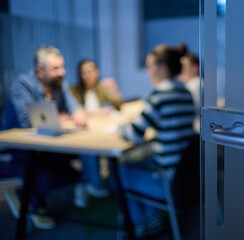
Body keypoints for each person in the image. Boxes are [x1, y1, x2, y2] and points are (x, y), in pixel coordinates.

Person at [0, 46, 86, 229]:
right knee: (44, 174)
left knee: (74, 174)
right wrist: (60, 116)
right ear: (40, 70)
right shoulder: (22, 84)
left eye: (62, 67)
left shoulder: (59, 83)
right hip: (16, 151)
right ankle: (32, 205)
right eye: (56, 68)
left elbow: (74, 106)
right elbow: (26, 121)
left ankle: (29, 194)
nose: (62, 72)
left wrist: (77, 113)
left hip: (45, 146)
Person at [116, 44, 196, 238]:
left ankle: (143, 225)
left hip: (168, 181)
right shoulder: (185, 92)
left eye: (150, 66)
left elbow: (134, 134)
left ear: (162, 68)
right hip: (189, 177)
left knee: (121, 171)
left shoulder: (159, 95)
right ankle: (152, 218)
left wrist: (120, 127)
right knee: (139, 161)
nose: (148, 71)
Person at [69, 59, 123, 207]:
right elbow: (73, 111)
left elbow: (118, 106)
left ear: (97, 72)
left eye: (90, 71)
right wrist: (96, 112)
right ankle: (91, 183)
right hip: (81, 132)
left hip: (98, 130)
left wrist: (114, 90)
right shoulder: (73, 90)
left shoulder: (100, 89)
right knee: (89, 149)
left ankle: (107, 182)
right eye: (83, 72)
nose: (87, 75)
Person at [178, 44, 201, 134]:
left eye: (184, 67)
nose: (181, 71)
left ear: (195, 68)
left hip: (194, 131)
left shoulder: (193, 85)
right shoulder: (200, 83)